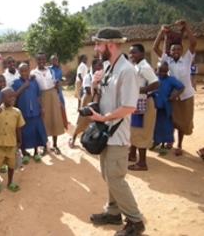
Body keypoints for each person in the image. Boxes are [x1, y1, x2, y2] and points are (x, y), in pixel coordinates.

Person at [88, 28, 145, 236]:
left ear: (109, 45)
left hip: (117, 135)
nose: (95, 48)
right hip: (106, 134)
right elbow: (102, 98)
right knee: (108, 175)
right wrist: (95, 84)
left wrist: (103, 118)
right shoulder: (108, 67)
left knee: (116, 178)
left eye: (98, 44)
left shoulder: (126, 70)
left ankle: (135, 221)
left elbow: (129, 106)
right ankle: (113, 213)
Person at [153, 19, 196, 156]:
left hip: (186, 96)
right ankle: (169, 140)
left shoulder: (187, 59)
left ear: (182, 51)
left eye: (178, 49)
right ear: (170, 52)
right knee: (171, 119)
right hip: (172, 96)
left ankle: (179, 144)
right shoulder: (167, 60)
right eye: (173, 49)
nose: (176, 51)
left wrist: (186, 26)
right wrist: (162, 31)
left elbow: (194, 42)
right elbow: (155, 48)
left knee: (183, 121)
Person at [128, 44, 160, 171]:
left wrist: (139, 90)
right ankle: (132, 154)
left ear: (142, 53)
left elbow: (156, 84)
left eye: (134, 53)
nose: (132, 56)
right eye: (130, 53)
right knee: (135, 128)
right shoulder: (137, 67)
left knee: (142, 131)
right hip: (138, 101)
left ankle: (142, 163)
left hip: (145, 102)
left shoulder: (145, 67)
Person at [12, 63, 47, 163]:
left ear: (29, 71)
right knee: (23, 133)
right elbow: (14, 95)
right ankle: (24, 153)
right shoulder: (16, 83)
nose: (24, 73)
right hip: (23, 113)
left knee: (35, 132)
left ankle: (36, 152)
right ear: (18, 72)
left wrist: (41, 108)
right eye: (21, 71)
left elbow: (38, 96)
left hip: (35, 112)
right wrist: (24, 86)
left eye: (26, 71)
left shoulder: (34, 82)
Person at [31, 51, 65, 155]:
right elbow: (33, 88)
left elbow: (56, 84)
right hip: (42, 97)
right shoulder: (33, 73)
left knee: (55, 119)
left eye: (43, 59)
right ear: (36, 61)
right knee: (43, 121)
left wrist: (57, 89)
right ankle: (44, 146)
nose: (41, 61)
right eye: (39, 59)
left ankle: (55, 145)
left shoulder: (51, 71)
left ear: (46, 60)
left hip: (52, 96)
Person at [68, 58, 103, 148]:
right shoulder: (88, 77)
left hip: (97, 100)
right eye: (98, 65)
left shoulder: (102, 76)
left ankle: (90, 140)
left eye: (101, 65)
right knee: (82, 120)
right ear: (93, 66)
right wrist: (97, 85)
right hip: (88, 100)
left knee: (94, 121)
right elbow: (88, 91)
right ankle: (73, 137)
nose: (100, 67)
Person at [151, 62, 184, 155]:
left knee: (164, 126)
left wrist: (174, 96)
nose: (162, 73)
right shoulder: (153, 78)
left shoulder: (171, 80)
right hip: (155, 105)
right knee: (155, 125)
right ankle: (155, 142)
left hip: (165, 106)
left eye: (165, 71)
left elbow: (182, 87)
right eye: (160, 70)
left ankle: (162, 145)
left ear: (167, 71)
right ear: (156, 70)